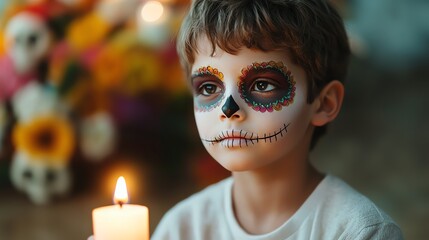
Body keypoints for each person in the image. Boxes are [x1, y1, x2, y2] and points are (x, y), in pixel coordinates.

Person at [152, 0, 403, 239]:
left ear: (324, 103)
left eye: (262, 84)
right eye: (208, 88)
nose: (228, 109)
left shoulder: (359, 232)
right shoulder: (181, 228)